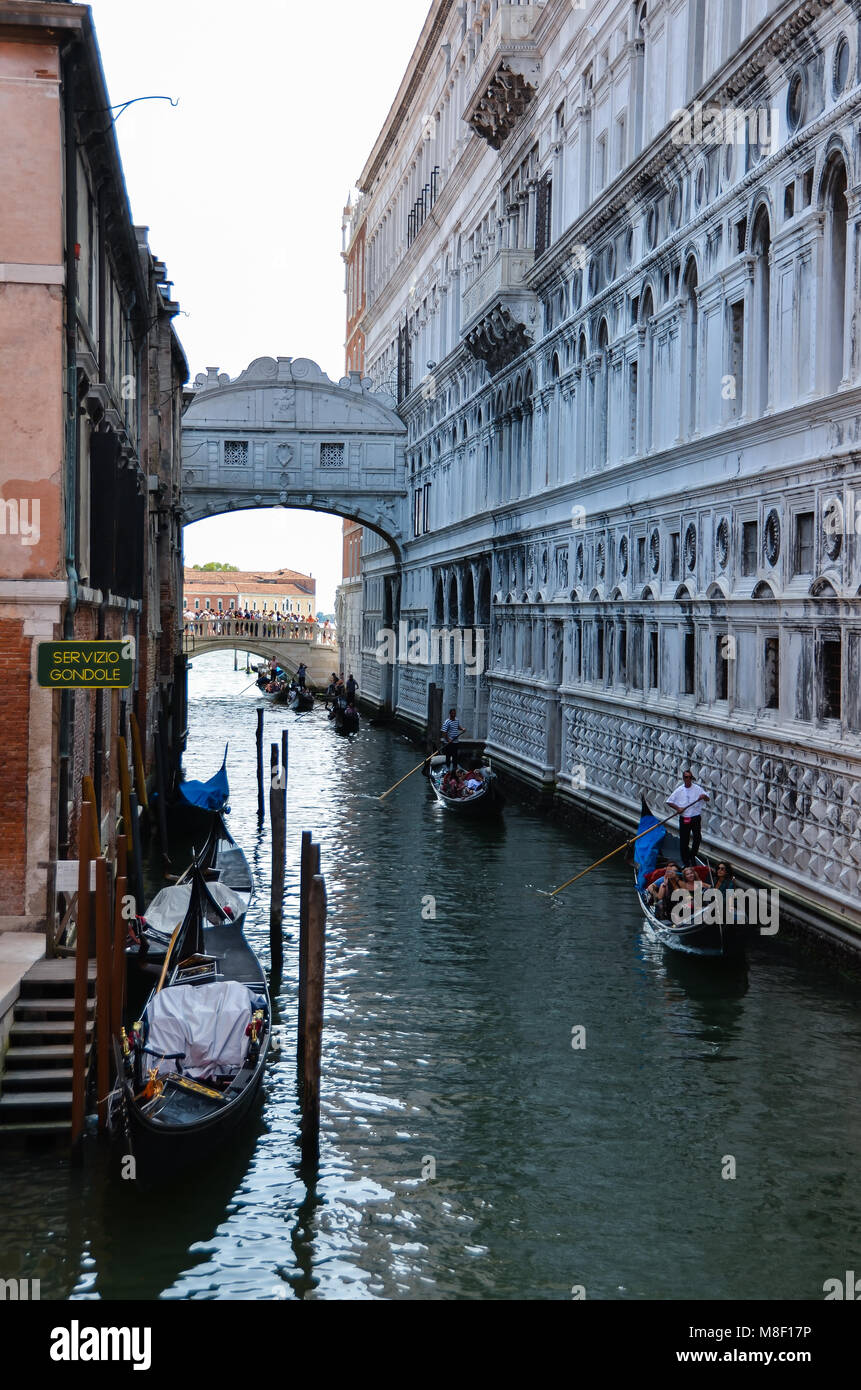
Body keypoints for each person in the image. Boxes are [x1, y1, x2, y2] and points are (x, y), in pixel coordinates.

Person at [667, 769, 710, 866]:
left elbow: (707, 799)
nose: (688, 779)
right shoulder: (679, 790)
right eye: (686, 777)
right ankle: (685, 862)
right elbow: (669, 801)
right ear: (683, 778)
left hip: (695, 817)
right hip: (685, 818)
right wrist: (678, 808)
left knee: (697, 838)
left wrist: (703, 796)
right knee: (684, 840)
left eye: (690, 777)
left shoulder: (697, 788)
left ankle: (692, 855)